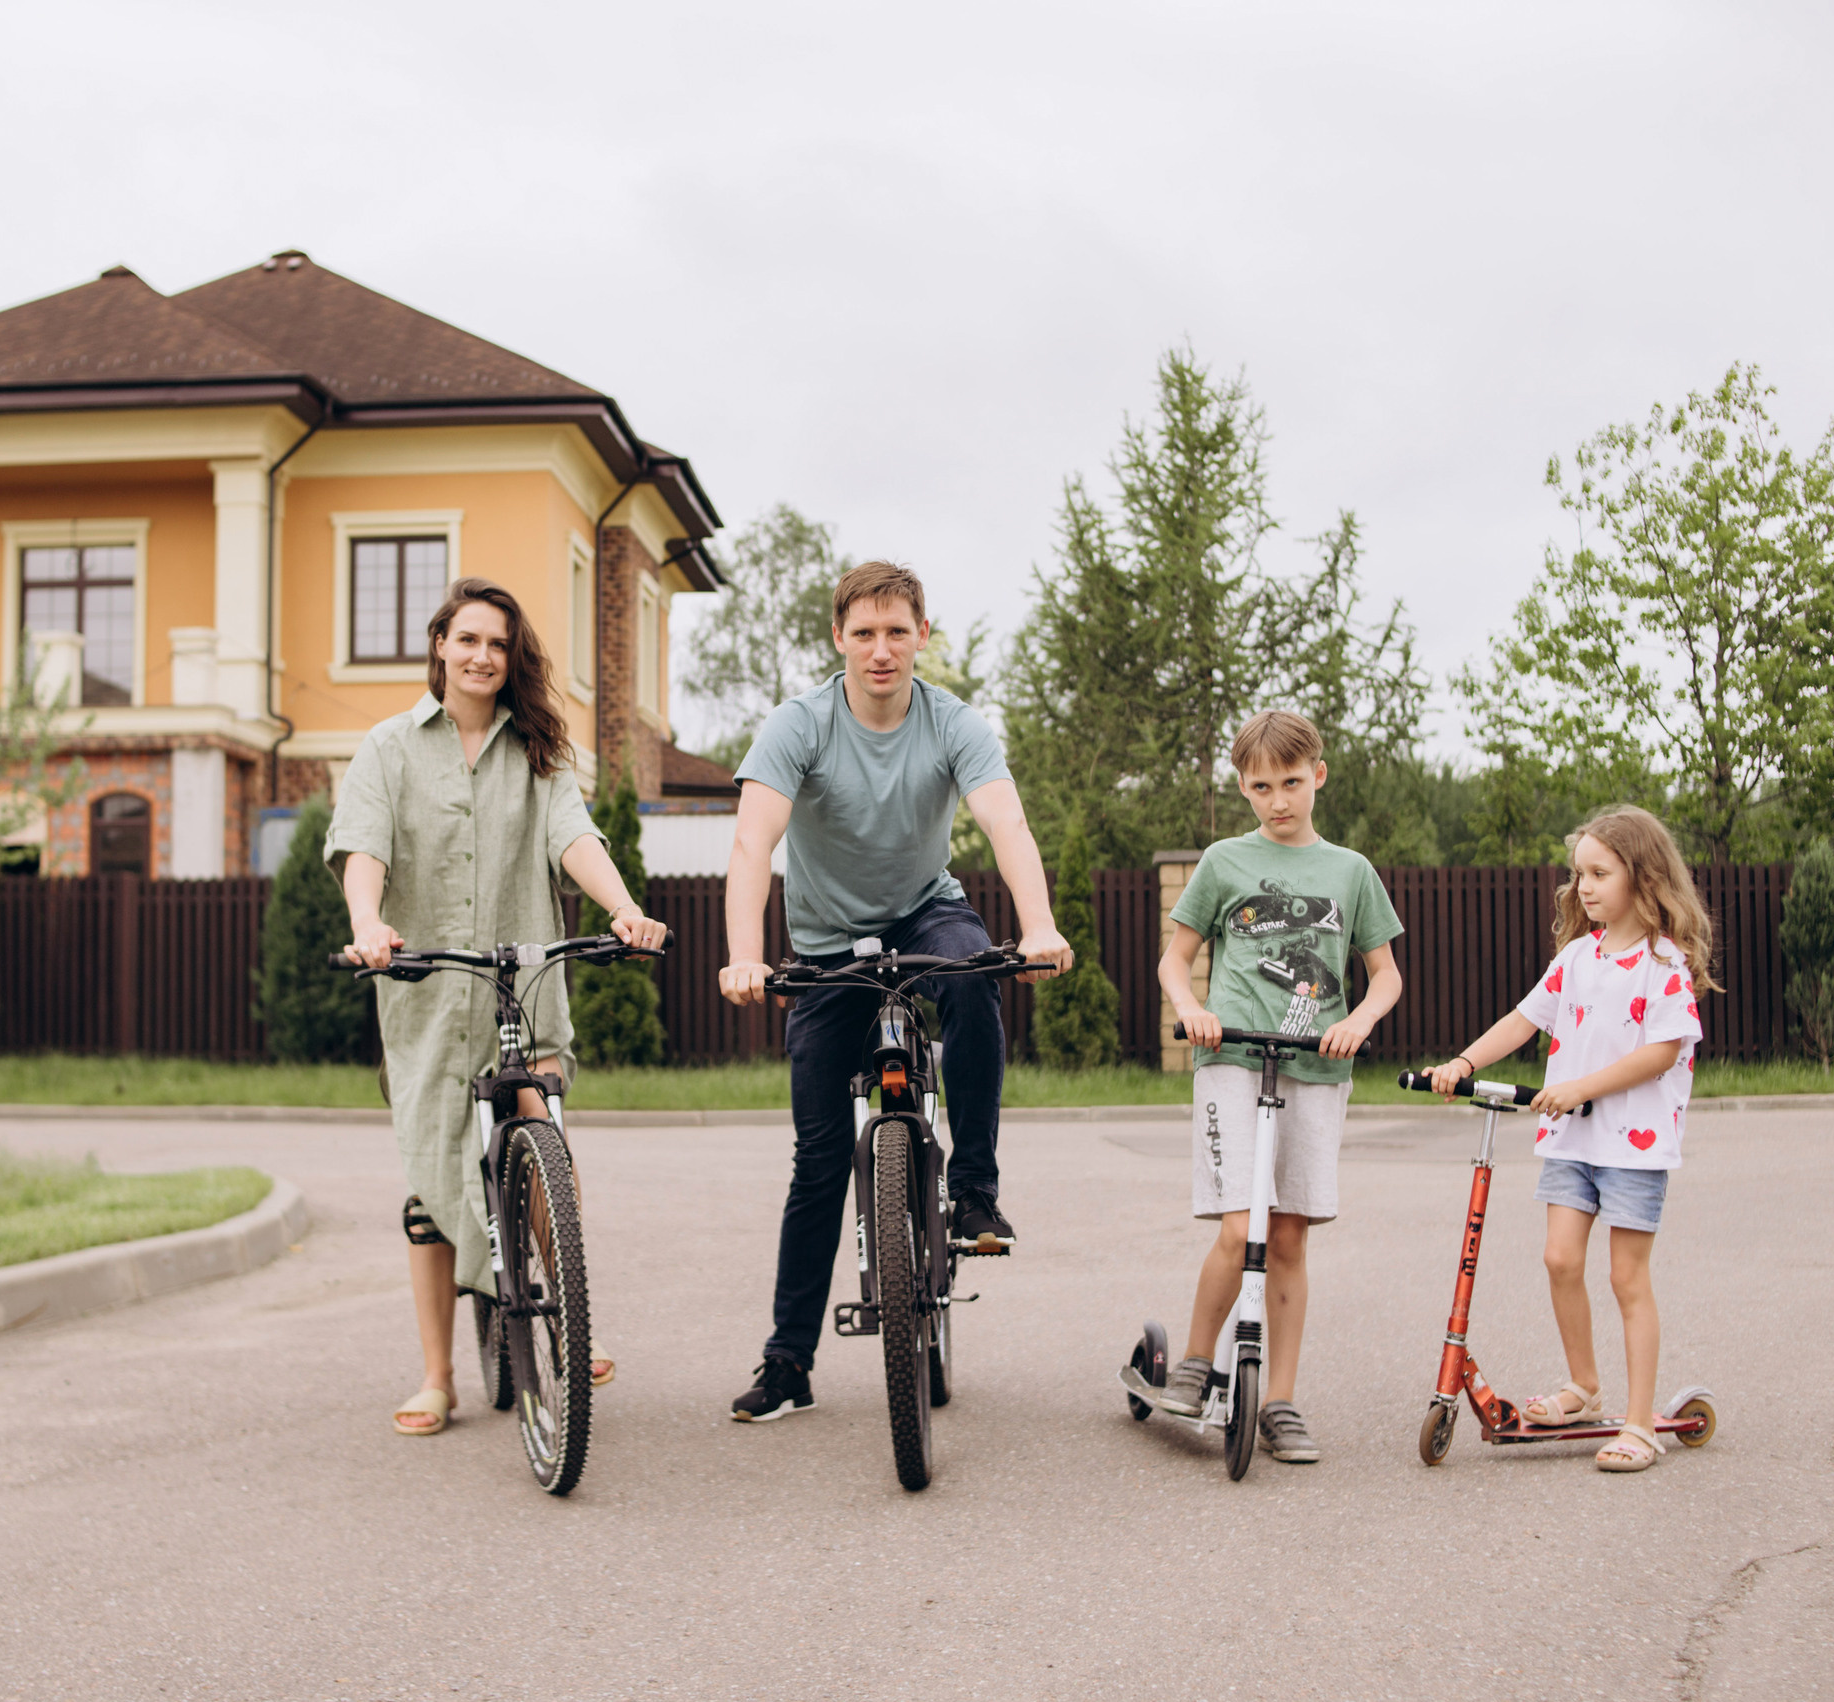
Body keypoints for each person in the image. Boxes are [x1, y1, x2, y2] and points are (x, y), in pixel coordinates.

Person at [718, 560, 1073, 1423]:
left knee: (976, 976)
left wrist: (1040, 925)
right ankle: (788, 1363)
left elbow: (1005, 820)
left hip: (926, 911)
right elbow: (751, 844)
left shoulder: (953, 722)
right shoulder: (799, 724)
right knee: (817, 1163)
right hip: (826, 942)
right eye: (864, 632)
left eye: (898, 631)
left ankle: (976, 1191)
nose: (882, 650)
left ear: (921, 636)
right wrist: (744, 954)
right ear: (839, 637)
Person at [328, 577, 668, 1439]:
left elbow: (573, 836)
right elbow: (363, 844)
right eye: (468, 638)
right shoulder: (388, 748)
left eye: (499, 644)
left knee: (539, 1117)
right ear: (440, 643)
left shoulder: (538, 753)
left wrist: (624, 906)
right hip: (429, 993)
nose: (483, 656)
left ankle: (569, 1311)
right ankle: (438, 1375)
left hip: (527, 982)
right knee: (430, 1176)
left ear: (512, 660)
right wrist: (369, 924)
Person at [1418, 804, 1717, 1472]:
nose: (1582, 885)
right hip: (1571, 1143)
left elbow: (1663, 1051)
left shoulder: (1663, 963)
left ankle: (1639, 1424)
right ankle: (1584, 1385)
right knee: (1559, 1259)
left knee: (1626, 1276)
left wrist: (1581, 1087)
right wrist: (1463, 1062)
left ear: (1642, 878)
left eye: (1598, 872)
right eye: (1578, 872)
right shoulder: (1577, 957)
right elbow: (1523, 1021)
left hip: (1633, 1145)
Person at [1151, 709, 1404, 1464]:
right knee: (1240, 1227)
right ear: (1243, 786)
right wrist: (1192, 1008)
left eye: (1291, 782)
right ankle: (1198, 1362)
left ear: (1318, 775)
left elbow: (1385, 975)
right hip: (1232, 1058)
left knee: (1288, 1236)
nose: (1278, 800)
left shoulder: (1351, 871)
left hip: (1316, 1067)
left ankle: (1282, 1401)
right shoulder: (1225, 861)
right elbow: (1176, 958)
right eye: (1261, 786)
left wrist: (1358, 1019)